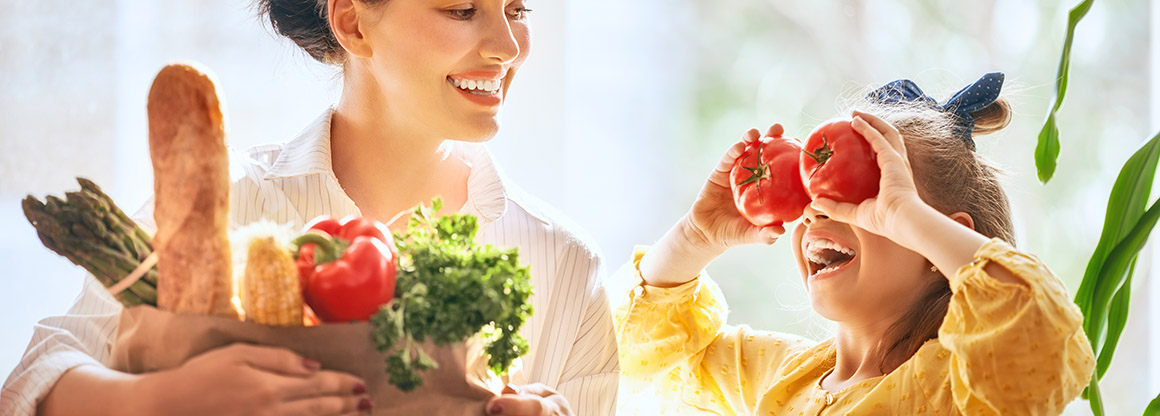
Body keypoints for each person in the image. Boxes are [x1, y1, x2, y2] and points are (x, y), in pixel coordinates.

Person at [0, 0, 618, 415]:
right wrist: (168, 397)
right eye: (463, 8)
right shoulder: (230, 204)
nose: (508, 45)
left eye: (517, 8)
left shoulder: (564, 264)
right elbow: (30, 382)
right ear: (352, 23)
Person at [610, 73, 1095, 415]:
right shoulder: (782, 374)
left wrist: (907, 216)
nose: (817, 211)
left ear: (936, 242)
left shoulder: (953, 385)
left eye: (869, 198)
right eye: (812, 188)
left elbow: (1041, 336)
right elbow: (637, 355)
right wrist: (696, 237)